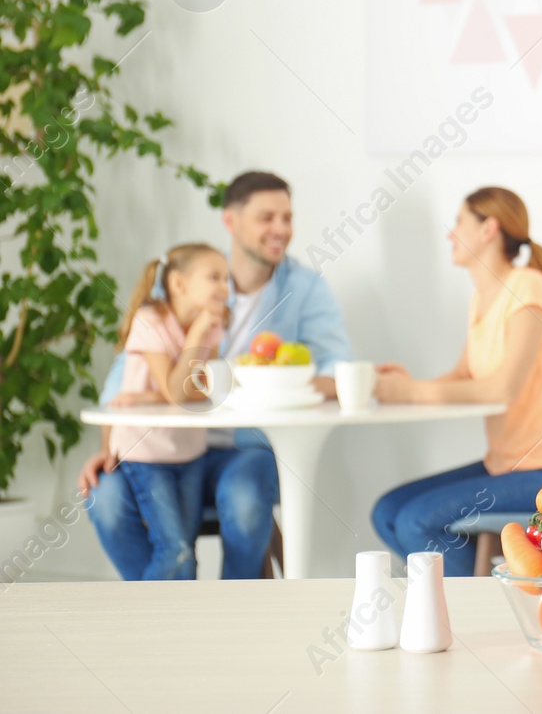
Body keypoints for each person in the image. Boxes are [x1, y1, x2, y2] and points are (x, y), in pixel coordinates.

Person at [81, 171, 356, 580]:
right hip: (160, 447)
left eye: (287, 217)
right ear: (231, 221)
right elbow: (126, 375)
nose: (281, 229)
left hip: (244, 450)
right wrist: (109, 445)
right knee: (104, 498)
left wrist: (259, 386)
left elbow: (338, 372)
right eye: (267, 217)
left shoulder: (304, 288)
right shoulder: (192, 278)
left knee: (244, 501)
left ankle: (236, 615)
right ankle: (161, 615)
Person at [370, 187, 542, 577]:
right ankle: (472, 594)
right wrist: (407, 389)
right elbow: (464, 376)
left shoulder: (527, 286)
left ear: (488, 229)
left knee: (415, 521)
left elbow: (501, 389)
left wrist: (412, 393)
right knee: (388, 512)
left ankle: (470, 611)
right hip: (503, 464)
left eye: (459, 222)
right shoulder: (482, 299)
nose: (450, 234)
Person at [103, 244, 229, 580]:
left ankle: (176, 629)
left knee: (186, 552)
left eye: (227, 279)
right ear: (178, 283)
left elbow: (202, 393)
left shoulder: (213, 325)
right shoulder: (151, 320)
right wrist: (197, 336)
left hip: (190, 451)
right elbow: (179, 393)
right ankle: (139, 622)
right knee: (177, 552)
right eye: (214, 277)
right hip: (146, 452)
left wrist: (152, 394)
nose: (225, 288)